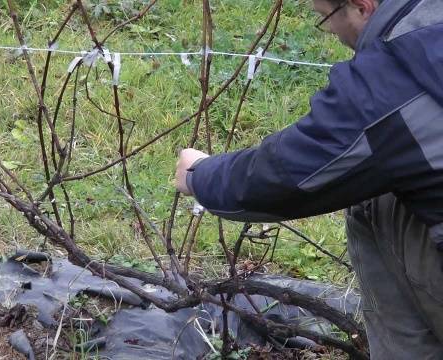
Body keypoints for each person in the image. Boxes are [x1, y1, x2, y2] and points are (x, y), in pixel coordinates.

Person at [174, 0, 443, 358]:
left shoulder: (390, 82)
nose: (330, 31)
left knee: (375, 200)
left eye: (326, 18)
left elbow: (290, 176)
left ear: (363, 5)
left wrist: (200, 175)